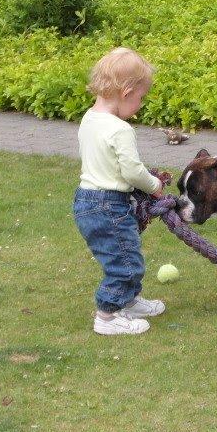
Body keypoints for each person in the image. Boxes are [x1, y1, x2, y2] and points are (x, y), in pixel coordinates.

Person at [74, 47, 168, 336]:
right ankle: (108, 316)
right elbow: (131, 172)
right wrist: (155, 187)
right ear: (127, 92)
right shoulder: (120, 129)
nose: (140, 105)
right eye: (141, 98)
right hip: (108, 204)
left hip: (86, 200)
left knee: (123, 255)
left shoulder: (90, 118)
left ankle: (127, 301)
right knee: (125, 263)